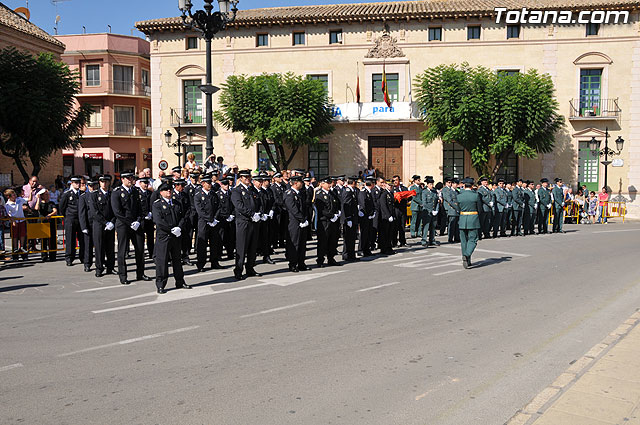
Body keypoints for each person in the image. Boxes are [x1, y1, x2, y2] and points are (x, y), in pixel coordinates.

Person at [111, 172, 150, 285]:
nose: (130, 180)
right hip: (123, 225)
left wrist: (138, 220)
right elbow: (117, 212)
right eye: (128, 178)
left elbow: (140, 209)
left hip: (136, 224)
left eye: (131, 178)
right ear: (122, 179)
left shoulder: (135, 191)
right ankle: (123, 276)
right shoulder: (117, 192)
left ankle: (140, 273)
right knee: (122, 251)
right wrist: (130, 222)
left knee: (140, 249)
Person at [152, 183, 190, 294]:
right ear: (161, 192)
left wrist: (179, 227)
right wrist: (171, 230)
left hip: (176, 236)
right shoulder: (157, 205)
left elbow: (183, 217)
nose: (169, 191)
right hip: (164, 236)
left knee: (177, 260)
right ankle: (161, 284)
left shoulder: (176, 203)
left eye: (170, 189)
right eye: (166, 190)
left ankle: (180, 281)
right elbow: (159, 221)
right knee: (162, 261)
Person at [230, 170, 262, 280]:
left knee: (253, 247)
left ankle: (250, 268)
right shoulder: (236, 191)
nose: (248, 179)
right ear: (241, 178)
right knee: (242, 247)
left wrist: (259, 213)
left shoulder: (252, 189)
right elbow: (239, 206)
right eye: (245, 177)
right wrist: (252, 214)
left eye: (249, 177)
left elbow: (259, 202)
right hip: (243, 222)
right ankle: (238, 270)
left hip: (254, 222)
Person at [89, 175, 116, 277]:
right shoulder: (94, 195)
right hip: (99, 225)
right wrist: (105, 222)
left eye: (106, 182)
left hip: (111, 224)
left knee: (110, 247)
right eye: (102, 181)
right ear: (99, 183)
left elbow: (115, 210)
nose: (104, 184)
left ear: (109, 183)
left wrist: (112, 222)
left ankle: (110, 267)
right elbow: (94, 212)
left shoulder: (112, 194)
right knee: (99, 247)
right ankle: (99, 268)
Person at [195, 175, 223, 272]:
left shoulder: (213, 194)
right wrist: (210, 219)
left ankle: (214, 262)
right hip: (203, 222)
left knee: (214, 243)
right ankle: (201, 263)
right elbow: (200, 211)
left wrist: (215, 219)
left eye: (210, 183)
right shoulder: (198, 195)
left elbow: (218, 207)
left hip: (213, 222)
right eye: (208, 183)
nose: (210, 185)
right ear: (203, 184)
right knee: (202, 243)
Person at [284, 175, 309, 272]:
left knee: (302, 243)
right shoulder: (289, 194)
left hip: (302, 221)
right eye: (300, 182)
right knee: (294, 243)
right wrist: (302, 219)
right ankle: (293, 264)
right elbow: (293, 209)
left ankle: (301, 263)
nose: (302, 183)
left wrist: (305, 219)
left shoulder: (300, 193)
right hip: (294, 222)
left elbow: (304, 207)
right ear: (295, 183)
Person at [314, 176, 341, 267]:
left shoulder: (332, 193)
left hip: (333, 221)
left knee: (332, 240)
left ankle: (331, 258)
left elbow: (336, 205)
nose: (330, 185)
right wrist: (331, 216)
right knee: (323, 241)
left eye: (330, 183)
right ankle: (320, 260)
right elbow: (321, 209)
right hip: (324, 221)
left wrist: (337, 213)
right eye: (328, 183)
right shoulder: (319, 194)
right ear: (322, 184)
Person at [59, 176, 84, 266]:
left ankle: (83, 257)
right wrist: (67, 216)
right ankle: (69, 258)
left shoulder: (82, 194)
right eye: (76, 183)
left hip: (80, 219)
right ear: (72, 183)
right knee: (70, 239)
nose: (78, 184)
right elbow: (62, 207)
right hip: (70, 219)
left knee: (82, 239)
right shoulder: (67, 194)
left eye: (79, 183)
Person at [458, 178, 482, 269]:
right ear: (472, 186)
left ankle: (467, 260)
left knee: (464, 241)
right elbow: (479, 208)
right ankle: (467, 255)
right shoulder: (475, 195)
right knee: (473, 239)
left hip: (462, 219)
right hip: (473, 219)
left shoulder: (459, 196)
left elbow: (458, 208)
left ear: (464, 186)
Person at [79, 179, 98, 272]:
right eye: (90, 186)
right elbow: (82, 213)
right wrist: (83, 226)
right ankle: (87, 263)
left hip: (98, 223)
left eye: (94, 185)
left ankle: (100, 262)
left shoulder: (99, 195)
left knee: (99, 245)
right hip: (88, 223)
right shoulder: (84, 197)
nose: (92, 188)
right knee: (88, 245)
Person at [171, 178, 192, 265]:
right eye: (182, 186)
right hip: (174, 221)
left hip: (183, 221)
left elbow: (188, 208)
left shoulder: (184, 195)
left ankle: (185, 257)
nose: (183, 188)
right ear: (176, 186)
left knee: (185, 240)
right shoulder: (171, 195)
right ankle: (174, 259)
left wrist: (184, 219)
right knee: (174, 242)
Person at [4, 188, 29, 260]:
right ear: (8, 197)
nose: (15, 196)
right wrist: (12, 220)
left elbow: (28, 199)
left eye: (15, 194)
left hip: (22, 220)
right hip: (14, 222)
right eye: (13, 195)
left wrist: (31, 192)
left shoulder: (19, 200)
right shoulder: (7, 204)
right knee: (15, 236)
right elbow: (8, 214)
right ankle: (15, 249)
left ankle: (22, 248)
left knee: (23, 234)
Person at [215, 178, 235, 261]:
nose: (227, 186)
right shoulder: (217, 194)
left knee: (230, 237)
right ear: (221, 185)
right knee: (220, 237)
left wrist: (232, 215)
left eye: (228, 184)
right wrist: (226, 216)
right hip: (222, 219)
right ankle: (218, 254)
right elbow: (218, 208)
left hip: (230, 218)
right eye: (225, 185)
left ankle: (230, 253)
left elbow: (234, 205)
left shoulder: (231, 193)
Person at [341, 176, 359, 262]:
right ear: (353, 183)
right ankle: (346, 255)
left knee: (352, 238)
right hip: (349, 218)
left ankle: (351, 254)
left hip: (353, 217)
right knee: (348, 238)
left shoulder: (352, 191)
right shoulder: (347, 191)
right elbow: (346, 206)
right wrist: (348, 218)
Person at [357, 177, 376, 257]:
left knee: (368, 233)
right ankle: (361, 249)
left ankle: (366, 249)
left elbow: (372, 204)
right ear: (371, 184)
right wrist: (368, 214)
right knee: (364, 233)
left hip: (369, 216)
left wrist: (373, 212)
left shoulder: (369, 192)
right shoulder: (363, 192)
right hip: (365, 216)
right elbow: (363, 205)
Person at [138, 177, 155, 259]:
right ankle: (141, 254)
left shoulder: (150, 193)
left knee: (150, 237)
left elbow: (152, 204)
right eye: (144, 183)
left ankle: (151, 253)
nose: (146, 185)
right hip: (141, 218)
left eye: (147, 183)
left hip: (149, 218)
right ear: (140, 183)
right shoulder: (137, 193)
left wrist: (151, 213)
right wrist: (144, 214)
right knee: (140, 238)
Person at [420, 177, 438, 247]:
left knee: (433, 227)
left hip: (433, 211)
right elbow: (424, 203)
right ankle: (424, 240)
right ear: (427, 185)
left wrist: (436, 210)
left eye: (432, 184)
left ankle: (432, 240)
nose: (432, 186)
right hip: (427, 212)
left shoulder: (434, 192)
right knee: (426, 227)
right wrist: (430, 211)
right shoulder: (424, 192)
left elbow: (437, 202)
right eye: (430, 184)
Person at [390, 175, 408, 247]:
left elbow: (409, 197)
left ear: (399, 180)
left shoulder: (404, 188)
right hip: (396, 209)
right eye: (393, 180)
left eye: (396, 180)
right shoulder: (392, 189)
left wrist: (407, 197)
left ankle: (402, 241)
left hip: (403, 209)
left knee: (402, 226)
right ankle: (394, 242)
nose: (395, 182)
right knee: (395, 226)